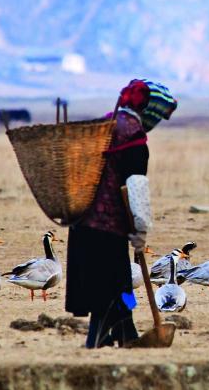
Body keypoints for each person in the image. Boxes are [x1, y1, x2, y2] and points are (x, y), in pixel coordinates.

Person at [66, 79, 176, 348]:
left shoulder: (102, 127)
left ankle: (124, 333)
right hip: (107, 228)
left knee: (114, 286)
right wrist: (141, 229)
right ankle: (98, 339)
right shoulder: (134, 138)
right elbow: (135, 187)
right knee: (112, 287)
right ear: (150, 110)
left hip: (81, 222)